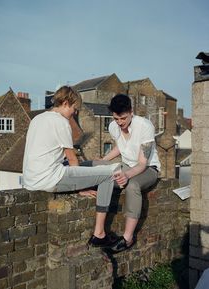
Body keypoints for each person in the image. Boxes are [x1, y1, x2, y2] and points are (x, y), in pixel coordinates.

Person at [23, 86, 124, 248]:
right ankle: (99, 234)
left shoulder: (38, 118)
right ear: (65, 103)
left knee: (95, 164)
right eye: (74, 109)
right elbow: (72, 160)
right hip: (49, 179)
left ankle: (99, 232)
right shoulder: (61, 122)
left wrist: (78, 185)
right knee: (108, 174)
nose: (75, 113)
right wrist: (79, 187)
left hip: (31, 180)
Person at [92, 93, 160, 253]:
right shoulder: (113, 126)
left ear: (131, 112)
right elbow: (120, 147)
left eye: (123, 118)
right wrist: (104, 159)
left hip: (149, 169)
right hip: (127, 165)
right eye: (116, 119)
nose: (120, 123)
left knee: (132, 185)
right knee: (100, 170)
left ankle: (127, 238)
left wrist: (127, 175)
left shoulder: (145, 126)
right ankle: (99, 233)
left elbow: (143, 163)